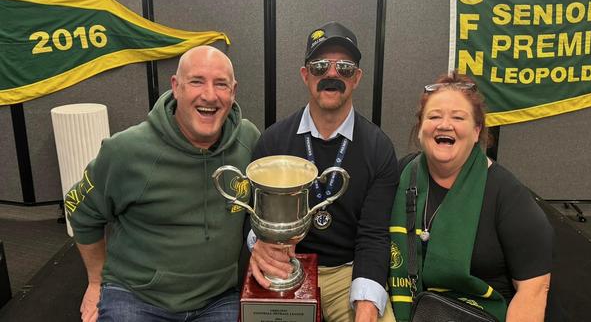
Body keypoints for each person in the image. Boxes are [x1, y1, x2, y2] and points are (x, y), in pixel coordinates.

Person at [66, 45, 260, 322]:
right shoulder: (127, 150)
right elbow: (80, 209)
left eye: (221, 84)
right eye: (196, 81)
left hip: (217, 299)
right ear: (176, 87)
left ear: (234, 91)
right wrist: (96, 282)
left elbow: (261, 212)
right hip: (136, 297)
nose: (209, 95)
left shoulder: (248, 141)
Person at [248, 22, 399, 322]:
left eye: (344, 67)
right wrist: (260, 245)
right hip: (287, 263)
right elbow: (251, 215)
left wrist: (367, 307)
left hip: (349, 271)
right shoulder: (274, 141)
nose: (332, 75)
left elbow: (373, 236)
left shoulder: (379, 148)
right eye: (320, 66)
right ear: (306, 75)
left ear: (357, 78)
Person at [388, 72, 553, 322]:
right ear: (421, 129)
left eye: (458, 117)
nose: (445, 125)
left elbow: (534, 290)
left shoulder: (507, 195)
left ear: (477, 131)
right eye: (434, 116)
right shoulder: (401, 175)